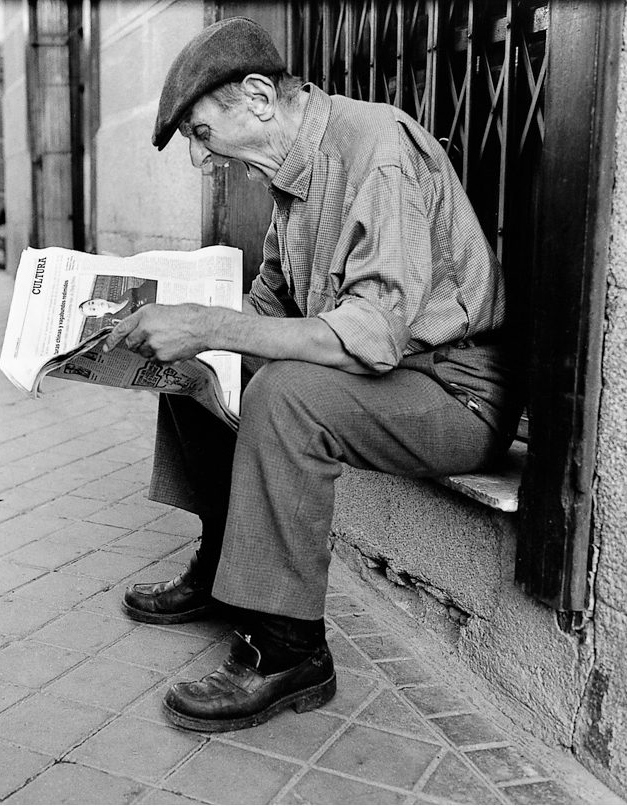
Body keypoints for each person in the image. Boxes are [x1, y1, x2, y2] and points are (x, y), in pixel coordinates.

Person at [103, 17, 521, 733]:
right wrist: (178, 327)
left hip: (455, 392)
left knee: (284, 394)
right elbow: (269, 308)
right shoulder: (293, 175)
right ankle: (221, 568)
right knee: (192, 362)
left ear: (259, 97)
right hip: (389, 377)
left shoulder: (379, 150)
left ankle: (289, 651)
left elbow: (372, 336)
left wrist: (210, 325)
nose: (203, 158)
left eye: (202, 134)